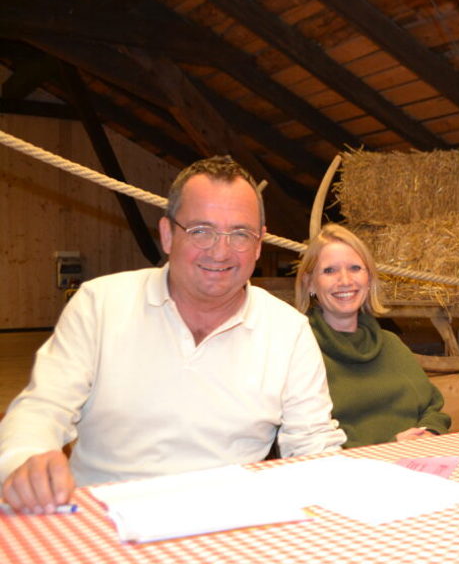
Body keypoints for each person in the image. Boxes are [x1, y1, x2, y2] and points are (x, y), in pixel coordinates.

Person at [0, 156, 345, 514]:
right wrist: (26, 457)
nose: (221, 250)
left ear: (258, 244)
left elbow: (313, 442)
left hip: (231, 522)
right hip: (105, 520)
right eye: (200, 231)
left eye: (240, 234)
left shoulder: (287, 329)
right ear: (167, 234)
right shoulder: (99, 304)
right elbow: (42, 408)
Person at [294, 223, 450, 447]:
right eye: (330, 270)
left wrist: (429, 433)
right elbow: (307, 440)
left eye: (355, 268)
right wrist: (389, 446)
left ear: (369, 279)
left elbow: (432, 408)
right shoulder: (300, 351)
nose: (345, 280)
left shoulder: (391, 344)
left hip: (419, 462)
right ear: (310, 283)